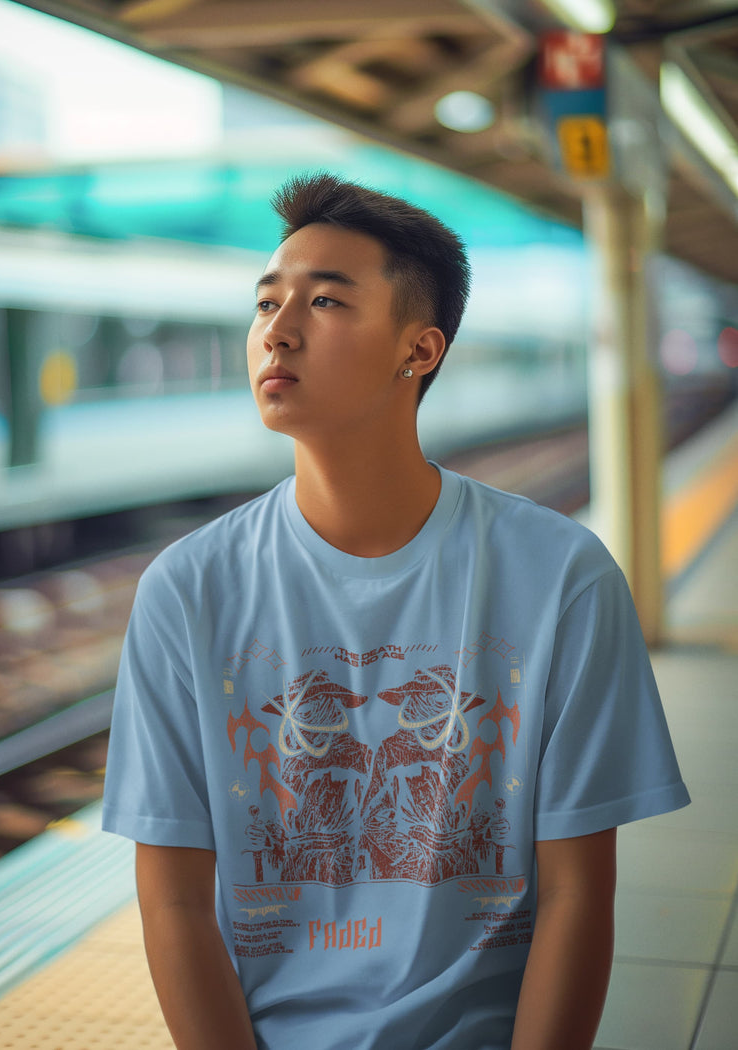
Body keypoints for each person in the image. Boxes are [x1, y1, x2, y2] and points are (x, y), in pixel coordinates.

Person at [102, 172, 690, 1050]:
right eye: (266, 302)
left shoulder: (562, 577)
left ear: (418, 350)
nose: (278, 329)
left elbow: (577, 894)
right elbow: (174, 903)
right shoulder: (186, 589)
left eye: (326, 301)